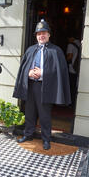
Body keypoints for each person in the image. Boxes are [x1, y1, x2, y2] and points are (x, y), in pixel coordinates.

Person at [13, 19, 71, 150]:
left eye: (44, 33)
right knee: (29, 112)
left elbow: (59, 71)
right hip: (31, 85)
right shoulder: (30, 50)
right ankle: (28, 134)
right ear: (36, 36)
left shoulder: (56, 51)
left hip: (45, 87)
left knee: (44, 115)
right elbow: (23, 67)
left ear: (49, 35)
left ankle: (46, 139)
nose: (41, 36)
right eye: (39, 34)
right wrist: (28, 73)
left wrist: (42, 73)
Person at [66, 36, 81, 106]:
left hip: (72, 68)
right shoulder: (80, 44)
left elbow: (70, 56)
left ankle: (70, 103)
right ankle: (75, 103)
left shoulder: (70, 45)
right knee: (76, 86)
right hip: (78, 68)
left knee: (70, 86)